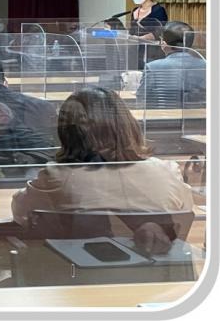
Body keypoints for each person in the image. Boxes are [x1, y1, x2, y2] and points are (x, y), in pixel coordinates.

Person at [11, 87, 193, 228]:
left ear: (66, 133)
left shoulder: (57, 177)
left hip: (76, 265)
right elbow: (184, 213)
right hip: (156, 264)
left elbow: (21, 212)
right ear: (127, 125)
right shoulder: (167, 171)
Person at [135, 21, 206, 108]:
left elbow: (141, 99)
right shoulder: (206, 65)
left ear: (164, 44)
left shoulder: (152, 67)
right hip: (199, 115)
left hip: (161, 115)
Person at [129, 0, 168, 67]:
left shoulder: (158, 10)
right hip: (136, 49)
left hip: (152, 51)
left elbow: (160, 30)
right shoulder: (135, 10)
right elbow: (132, 29)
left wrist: (142, 38)